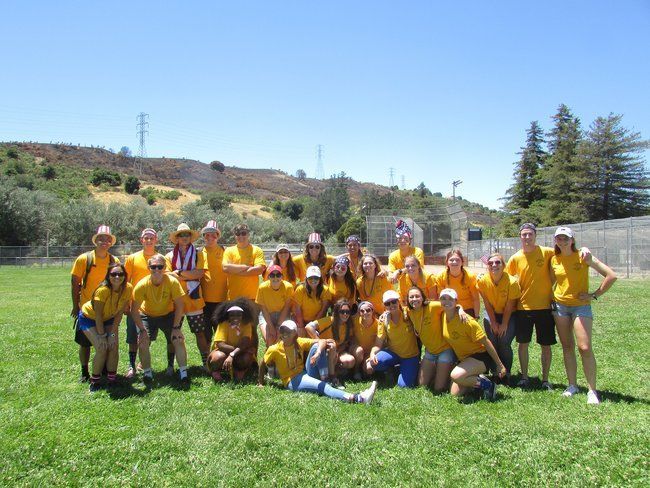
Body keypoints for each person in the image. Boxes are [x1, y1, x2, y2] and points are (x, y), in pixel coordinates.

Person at [551, 226, 617, 404]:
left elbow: (611, 275)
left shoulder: (583, 255)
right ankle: (572, 385)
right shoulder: (554, 259)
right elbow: (552, 281)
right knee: (567, 346)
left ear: (572, 240)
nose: (562, 241)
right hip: (560, 307)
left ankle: (592, 390)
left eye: (566, 238)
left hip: (581, 307)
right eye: (559, 238)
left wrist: (594, 294)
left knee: (584, 347)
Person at [258, 320, 377, 405]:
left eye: (288, 331)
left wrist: (318, 353)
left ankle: (325, 378)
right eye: (282, 331)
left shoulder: (298, 342)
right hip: (292, 380)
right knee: (323, 387)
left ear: (294, 333)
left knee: (316, 347)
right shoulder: (274, 349)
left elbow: (321, 342)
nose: (284, 334)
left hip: (304, 373)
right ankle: (358, 398)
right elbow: (262, 362)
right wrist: (261, 382)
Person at [506, 223, 558, 390]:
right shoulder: (515, 258)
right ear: (520, 237)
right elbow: (506, 279)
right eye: (524, 234)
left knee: (546, 345)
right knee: (523, 344)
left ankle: (545, 379)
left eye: (530, 234)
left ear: (535, 235)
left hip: (545, 307)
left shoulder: (547, 252)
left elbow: (566, 252)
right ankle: (524, 377)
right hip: (523, 308)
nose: (527, 237)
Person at [70, 224, 119, 382]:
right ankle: (84, 371)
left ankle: (104, 370)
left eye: (107, 239)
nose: (104, 241)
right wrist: (75, 305)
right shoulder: (85, 259)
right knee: (85, 344)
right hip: (87, 310)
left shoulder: (114, 260)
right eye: (101, 238)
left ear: (111, 242)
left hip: (107, 311)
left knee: (106, 341)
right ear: (96, 240)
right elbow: (75, 283)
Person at [130, 254, 189, 383]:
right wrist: (142, 330)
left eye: (160, 267)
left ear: (164, 268)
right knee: (143, 341)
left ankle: (183, 373)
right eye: (153, 267)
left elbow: (180, 305)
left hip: (167, 314)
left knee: (177, 339)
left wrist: (176, 327)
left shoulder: (172, 282)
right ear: (148, 268)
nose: (157, 270)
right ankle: (147, 374)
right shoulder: (142, 285)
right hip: (147, 314)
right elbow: (134, 311)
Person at [440, 288, 506, 401]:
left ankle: (489, 385)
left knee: (456, 376)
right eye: (443, 298)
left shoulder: (467, 321)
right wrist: (460, 307)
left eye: (450, 299)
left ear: (456, 301)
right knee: (455, 394)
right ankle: (476, 378)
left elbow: (486, 342)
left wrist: (500, 365)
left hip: (480, 357)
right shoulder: (443, 314)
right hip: (464, 360)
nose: (446, 301)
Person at [77, 263, 132, 392]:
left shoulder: (128, 288)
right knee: (102, 348)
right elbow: (98, 317)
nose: (117, 277)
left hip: (110, 318)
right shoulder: (103, 290)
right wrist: (101, 337)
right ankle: (95, 382)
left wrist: (112, 335)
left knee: (113, 346)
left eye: (120, 274)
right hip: (89, 318)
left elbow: (119, 313)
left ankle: (112, 379)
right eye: (113, 274)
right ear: (108, 276)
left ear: (125, 276)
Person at [166, 223, 210, 370]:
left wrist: (178, 273)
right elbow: (167, 276)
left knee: (199, 332)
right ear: (177, 238)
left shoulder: (199, 254)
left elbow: (200, 274)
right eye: (181, 235)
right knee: (173, 332)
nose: (184, 237)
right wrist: (188, 275)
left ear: (191, 237)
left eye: (187, 235)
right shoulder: (169, 256)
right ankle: (171, 365)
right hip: (175, 299)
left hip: (194, 299)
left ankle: (205, 363)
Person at [476, 252, 520, 382]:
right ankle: (495, 372)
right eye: (490, 263)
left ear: (503, 265)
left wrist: (504, 324)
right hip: (492, 314)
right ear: (487, 266)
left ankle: (506, 372)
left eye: (497, 262)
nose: (494, 265)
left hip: (509, 314)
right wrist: (494, 323)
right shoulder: (482, 281)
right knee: (492, 342)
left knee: (504, 341)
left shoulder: (512, 282)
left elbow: (509, 306)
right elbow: (487, 304)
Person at [123, 228, 160, 379]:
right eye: (146, 238)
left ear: (156, 240)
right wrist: (126, 303)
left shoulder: (160, 258)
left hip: (154, 306)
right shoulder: (132, 258)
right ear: (141, 240)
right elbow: (125, 281)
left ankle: (140, 363)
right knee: (132, 338)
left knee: (147, 336)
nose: (149, 240)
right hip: (135, 305)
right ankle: (132, 366)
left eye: (151, 238)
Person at [405, 286, 456, 392]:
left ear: (423, 298)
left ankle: (451, 369)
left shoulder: (432, 306)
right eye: (411, 297)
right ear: (408, 300)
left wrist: (460, 310)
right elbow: (397, 309)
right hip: (430, 352)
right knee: (422, 385)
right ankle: (439, 371)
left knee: (439, 388)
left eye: (417, 296)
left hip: (444, 350)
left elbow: (450, 305)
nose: (414, 299)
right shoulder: (409, 312)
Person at [367, 290, 420, 388]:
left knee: (404, 386)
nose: (391, 305)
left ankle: (402, 369)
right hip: (394, 353)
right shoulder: (383, 320)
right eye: (387, 303)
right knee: (375, 362)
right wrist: (372, 354)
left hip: (410, 355)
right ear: (384, 305)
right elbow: (378, 344)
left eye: (394, 301)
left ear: (398, 301)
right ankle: (391, 369)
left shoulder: (408, 313)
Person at [305, 299, 357, 386]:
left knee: (350, 361)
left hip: (335, 351)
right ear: (337, 312)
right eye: (342, 311)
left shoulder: (348, 325)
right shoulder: (329, 320)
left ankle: (333, 372)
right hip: (321, 351)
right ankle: (332, 377)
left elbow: (345, 343)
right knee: (332, 347)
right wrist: (320, 341)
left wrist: (337, 351)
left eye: (347, 312)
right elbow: (308, 327)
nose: (345, 314)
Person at [207, 301, 259, 381]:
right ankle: (215, 371)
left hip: (239, 352)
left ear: (243, 315)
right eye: (232, 315)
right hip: (225, 351)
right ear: (227, 315)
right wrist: (237, 351)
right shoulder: (223, 324)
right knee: (218, 357)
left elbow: (245, 343)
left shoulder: (246, 325)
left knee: (246, 358)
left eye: (238, 315)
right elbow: (220, 345)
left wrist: (232, 355)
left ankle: (239, 370)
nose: (235, 317)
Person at [200, 220, 228, 356]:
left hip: (222, 300)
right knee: (205, 333)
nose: (210, 238)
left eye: (213, 235)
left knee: (221, 333)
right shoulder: (199, 253)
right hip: (203, 301)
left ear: (218, 236)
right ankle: (207, 361)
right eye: (207, 235)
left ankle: (220, 359)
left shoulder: (225, 252)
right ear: (203, 236)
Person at [222, 223, 266, 300]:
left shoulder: (257, 250)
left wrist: (235, 271)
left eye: (243, 233)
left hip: (252, 298)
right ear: (235, 236)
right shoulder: (229, 251)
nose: (241, 236)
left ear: (248, 234)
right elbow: (225, 267)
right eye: (238, 234)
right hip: (233, 297)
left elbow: (259, 270)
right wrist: (247, 267)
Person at [256, 264, 294, 347]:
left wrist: (278, 327)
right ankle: (268, 359)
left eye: (278, 275)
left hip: (282, 315)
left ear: (282, 276)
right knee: (270, 339)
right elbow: (263, 308)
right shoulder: (262, 288)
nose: (275, 278)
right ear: (268, 277)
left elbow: (287, 307)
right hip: (267, 315)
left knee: (279, 339)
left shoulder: (288, 287)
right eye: (272, 275)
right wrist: (271, 327)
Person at [435, 249, 480, 318]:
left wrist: (476, 316)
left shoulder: (470, 276)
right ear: (447, 263)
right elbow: (441, 299)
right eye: (451, 260)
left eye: (457, 260)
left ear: (462, 262)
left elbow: (475, 299)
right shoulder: (440, 277)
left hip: (467, 310)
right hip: (449, 308)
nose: (454, 262)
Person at [292, 266, 332, 335]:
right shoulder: (300, 289)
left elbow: (323, 310)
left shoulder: (325, 290)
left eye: (316, 278)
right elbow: (297, 309)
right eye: (310, 278)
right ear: (306, 278)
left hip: (317, 321)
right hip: (301, 320)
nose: (313, 280)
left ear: (320, 279)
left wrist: (313, 325)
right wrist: (301, 326)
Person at [388, 220, 424, 284]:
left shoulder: (417, 251)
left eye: (406, 238)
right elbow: (391, 272)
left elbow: (417, 268)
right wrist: (391, 276)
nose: (403, 241)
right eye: (400, 238)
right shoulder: (393, 255)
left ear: (410, 240)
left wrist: (398, 271)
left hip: (418, 284)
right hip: (402, 287)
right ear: (396, 241)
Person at [351, 301, 379, 380]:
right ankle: (356, 371)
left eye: (368, 310)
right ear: (359, 313)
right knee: (359, 351)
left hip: (370, 353)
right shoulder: (354, 321)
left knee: (369, 370)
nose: (365, 313)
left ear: (372, 311)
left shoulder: (378, 324)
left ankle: (363, 369)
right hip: (356, 350)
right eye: (362, 311)